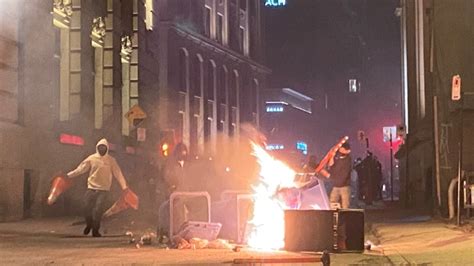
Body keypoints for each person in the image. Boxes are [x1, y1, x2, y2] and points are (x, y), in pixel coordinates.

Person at [67, 138, 128, 237]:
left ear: (107, 148)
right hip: (91, 188)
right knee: (86, 207)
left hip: (104, 190)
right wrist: (68, 175)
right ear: (97, 147)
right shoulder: (92, 159)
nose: (102, 149)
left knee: (98, 210)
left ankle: (95, 230)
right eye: (100, 147)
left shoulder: (111, 160)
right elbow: (80, 169)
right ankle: (89, 224)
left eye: (104, 147)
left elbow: (118, 174)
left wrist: (124, 186)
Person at [320, 142, 352, 209]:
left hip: (344, 186)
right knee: (332, 203)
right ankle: (333, 217)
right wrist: (332, 156)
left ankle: (345, 218)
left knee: (345, 205)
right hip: (336, 186)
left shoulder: (348, 160)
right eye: (340, 149)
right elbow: (331, 166)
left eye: (342, 149)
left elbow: (344, 175)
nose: (340, 150)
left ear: (348, 151)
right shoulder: (337, 158)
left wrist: (329, 176)